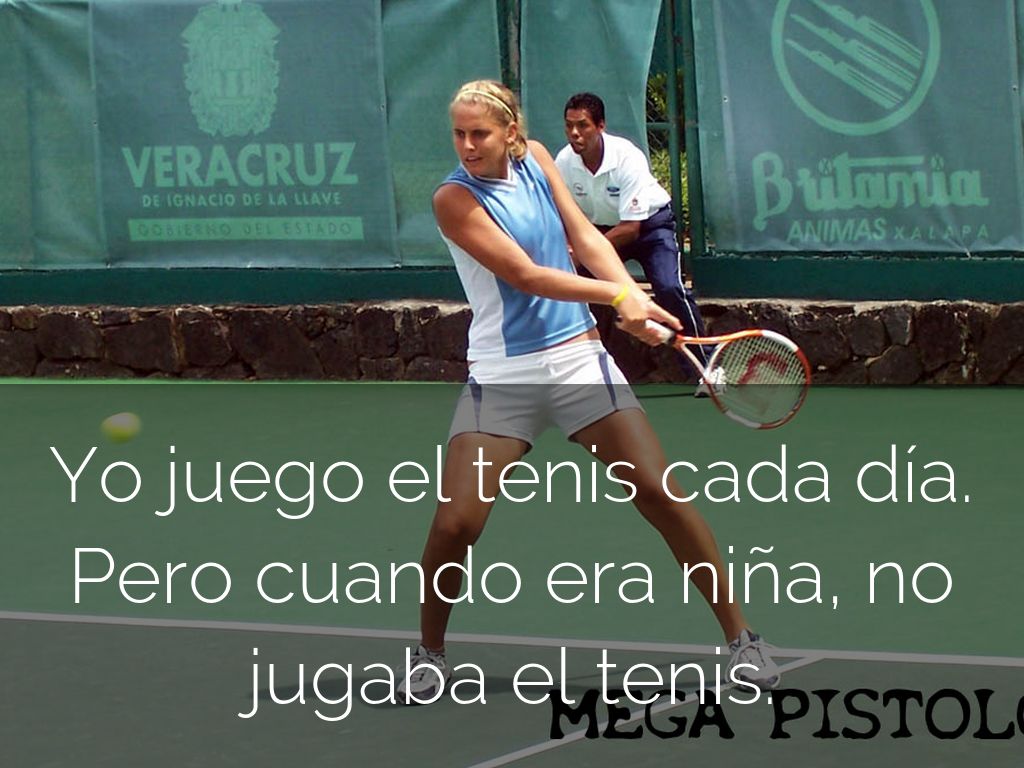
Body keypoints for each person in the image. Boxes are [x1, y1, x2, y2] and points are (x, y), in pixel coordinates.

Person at [397, 79, 779, 703]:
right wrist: (620, 295)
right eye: (459, 134)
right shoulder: (453, 199)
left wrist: (633, 301)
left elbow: (585, 239)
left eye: (479, 133)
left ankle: (744, 639)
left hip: (580, 363)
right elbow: (525, 274)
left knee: (660, 493)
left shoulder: (537, 160)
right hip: (504, 375)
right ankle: (430, 653)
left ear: (511, 132)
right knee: (456, 522)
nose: (467, 145)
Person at [554, 92, 716, 396]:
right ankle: (590, 374)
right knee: (580, 291)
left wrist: (584, 252)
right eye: (569, 125)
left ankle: (706, 369)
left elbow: (630, 229)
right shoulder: (563, 161)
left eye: (583, 125)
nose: (574, 133)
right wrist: (571, 250)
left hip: (649, 228)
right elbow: (562, 215)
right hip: (600, 230)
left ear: (600, 126)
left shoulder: (627, 157)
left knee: (669, 288)